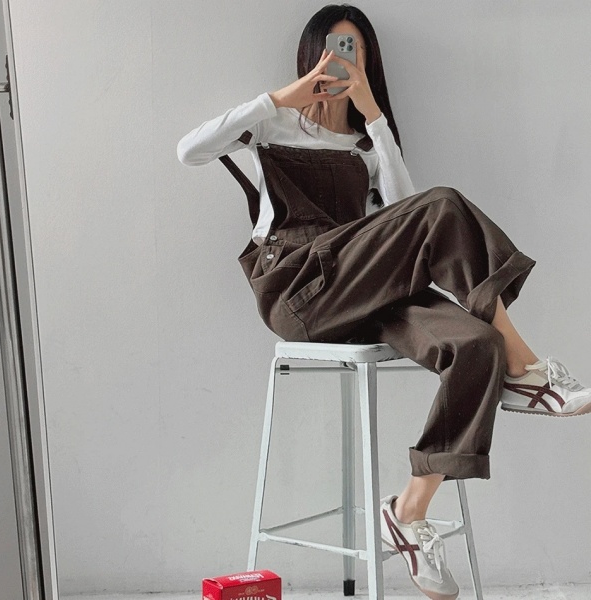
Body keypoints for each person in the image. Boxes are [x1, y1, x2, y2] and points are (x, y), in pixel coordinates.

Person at [176, 5, 591, 599]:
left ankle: (408, 511)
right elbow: (189, 150)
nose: (341, 59)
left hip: (362, 289)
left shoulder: (366, 146)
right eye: (332, 47)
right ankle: (528, 372)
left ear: (368, 63)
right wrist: (280, 98)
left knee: (477, 346)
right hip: (297, 289)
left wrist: (374, 118)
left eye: (355, 50)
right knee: (443, 205)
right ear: (312, 55)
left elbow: (405, 216)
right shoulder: (272, 127)